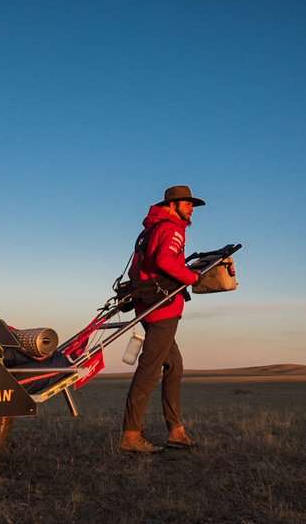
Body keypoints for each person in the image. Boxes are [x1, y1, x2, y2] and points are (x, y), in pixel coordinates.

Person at [120, 185, 205, 453]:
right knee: (149, 370)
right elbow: (166, 261)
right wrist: (193, 277)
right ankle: (130, 436)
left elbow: (139, 267)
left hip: (148, 304)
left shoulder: (150, 229)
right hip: (163, 308)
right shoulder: (173, 228)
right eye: (187, 203)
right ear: (173, 204)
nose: (191, 208)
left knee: (174, 367)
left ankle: (176, 431)